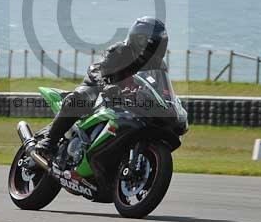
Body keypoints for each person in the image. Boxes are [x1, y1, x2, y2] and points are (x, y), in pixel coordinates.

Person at [36, 16, 169, 161]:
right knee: (78, 99)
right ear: (137, 39)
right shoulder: (120, 50)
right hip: (98, 89)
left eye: (157, 44)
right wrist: (106, 85)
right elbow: (96, 69)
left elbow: (161, 89)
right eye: (150, 43)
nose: (153, 47)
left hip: (128, 99)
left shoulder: (159, 66)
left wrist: (168, 102)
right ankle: (49, 140)